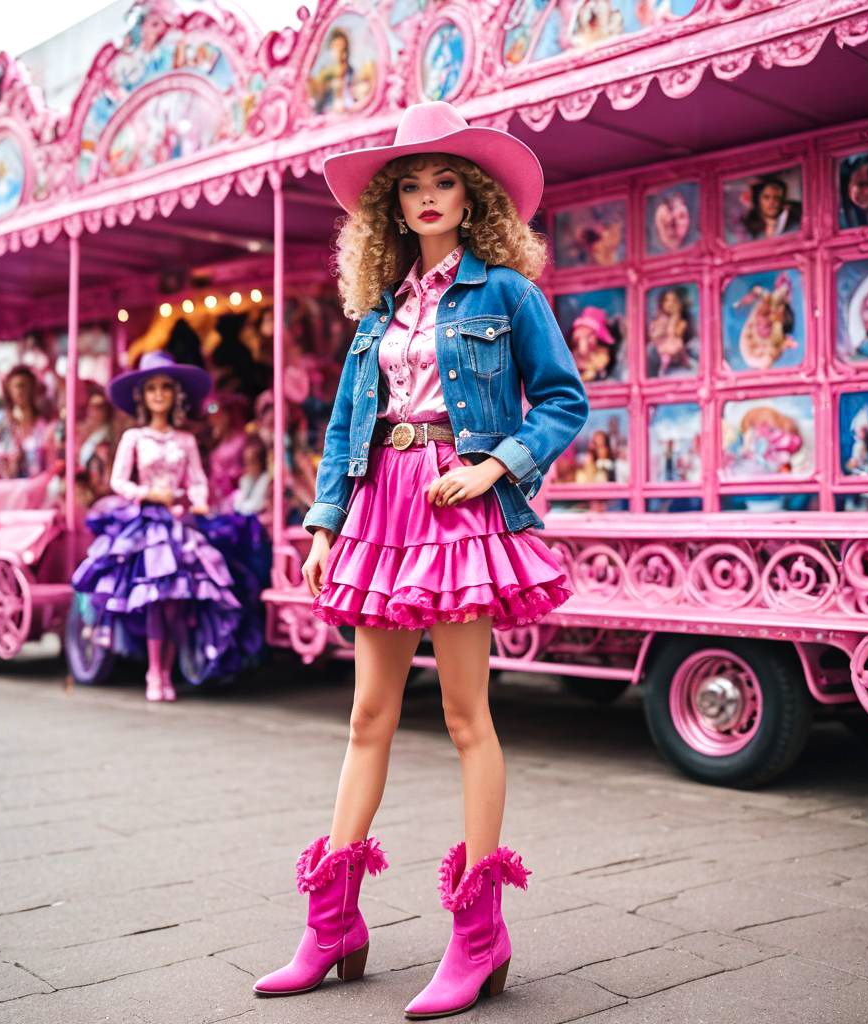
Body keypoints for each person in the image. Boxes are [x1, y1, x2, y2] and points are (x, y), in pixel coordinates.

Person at [252, 101, 589, 1018]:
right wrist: (324, 524)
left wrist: (492, 467)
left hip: (459, 504)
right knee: (367, 715)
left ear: (471, 198)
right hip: (380, 510)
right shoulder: (376, 313)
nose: (428, 197)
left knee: (465, 713)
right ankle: (332, 925)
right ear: (391, 209)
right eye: (412, 185)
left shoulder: (507, 295)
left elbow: (563, 401)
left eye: (445, 182)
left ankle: (479, 935)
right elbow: (343, 429)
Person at [70, 351, 241, 702]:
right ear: (143, 397)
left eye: (165, 387)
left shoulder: (186, 441)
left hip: (180, 524)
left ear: (176, 395)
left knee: (177, 600)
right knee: (153, 597)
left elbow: (197, 479)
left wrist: (197, 499)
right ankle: (153, 671)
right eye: (152, 389)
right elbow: (119, 481)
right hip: (146, 525)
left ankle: (167, 670)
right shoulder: (134, 437)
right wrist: (149, 493)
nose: (159, 394)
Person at [0, 365, 55, 480]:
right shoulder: (2, 424)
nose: (20, 391)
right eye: (15, 386)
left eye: (23, 386)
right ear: (9, 389)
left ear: (32, 389)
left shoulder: (44, 424)